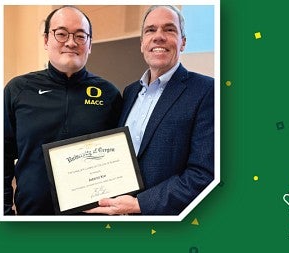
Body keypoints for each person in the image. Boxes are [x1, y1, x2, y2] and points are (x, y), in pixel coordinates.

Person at [86, 5, 214, 215]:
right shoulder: (129, 93)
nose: (158, 37)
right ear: (142, 43)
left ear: (183, 42)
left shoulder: (206, 91)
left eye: (169, 29)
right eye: (150, 30)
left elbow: (204, 174)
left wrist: (140, 205)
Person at [4, 6, 122, 215]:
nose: (71, 42)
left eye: (80, 35)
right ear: (46, 40)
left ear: (90, 44)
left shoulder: (109, 94)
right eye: (61, 34)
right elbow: (0, 159)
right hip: (32, 224)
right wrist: (5, 214)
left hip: (93, 226)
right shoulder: (18, 90)